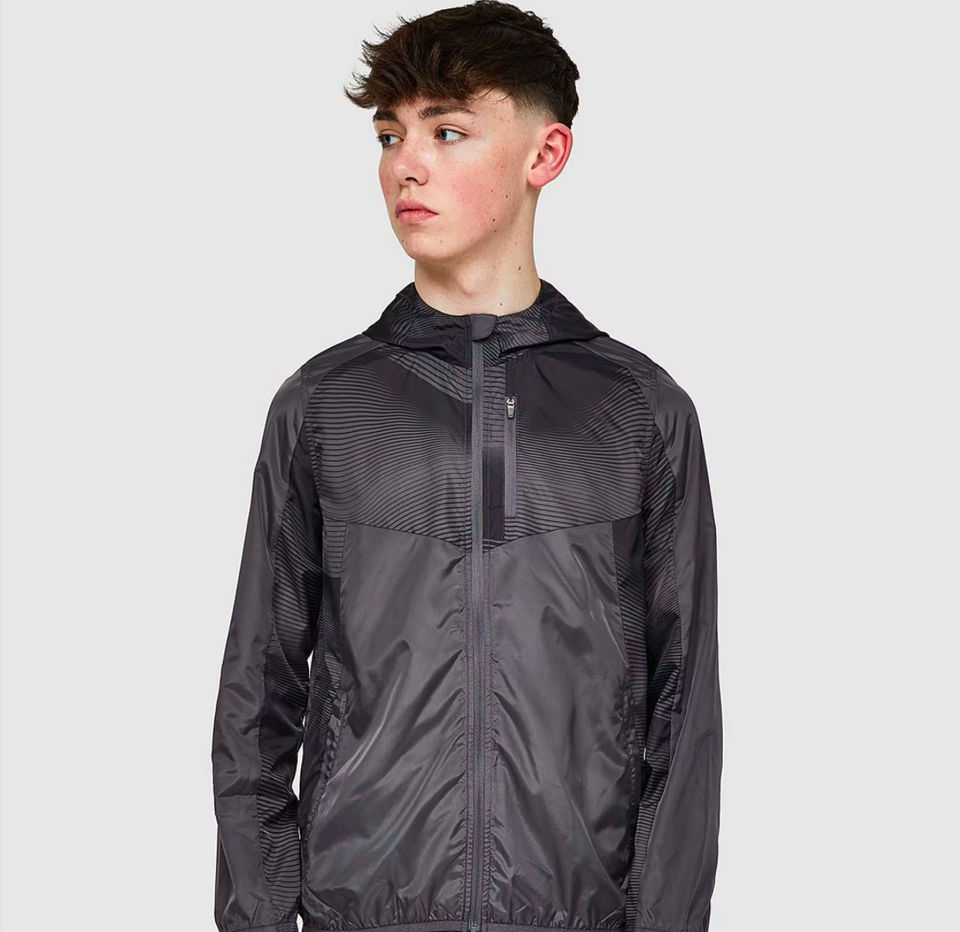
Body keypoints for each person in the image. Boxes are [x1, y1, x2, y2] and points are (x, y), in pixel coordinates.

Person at [210, 3, 723, 932]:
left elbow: (683, 712)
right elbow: (258, 696)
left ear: (545, 155)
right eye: (390, 136)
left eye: (447, 132)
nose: (405, 165)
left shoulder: (639, 411)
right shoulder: (325, 406)